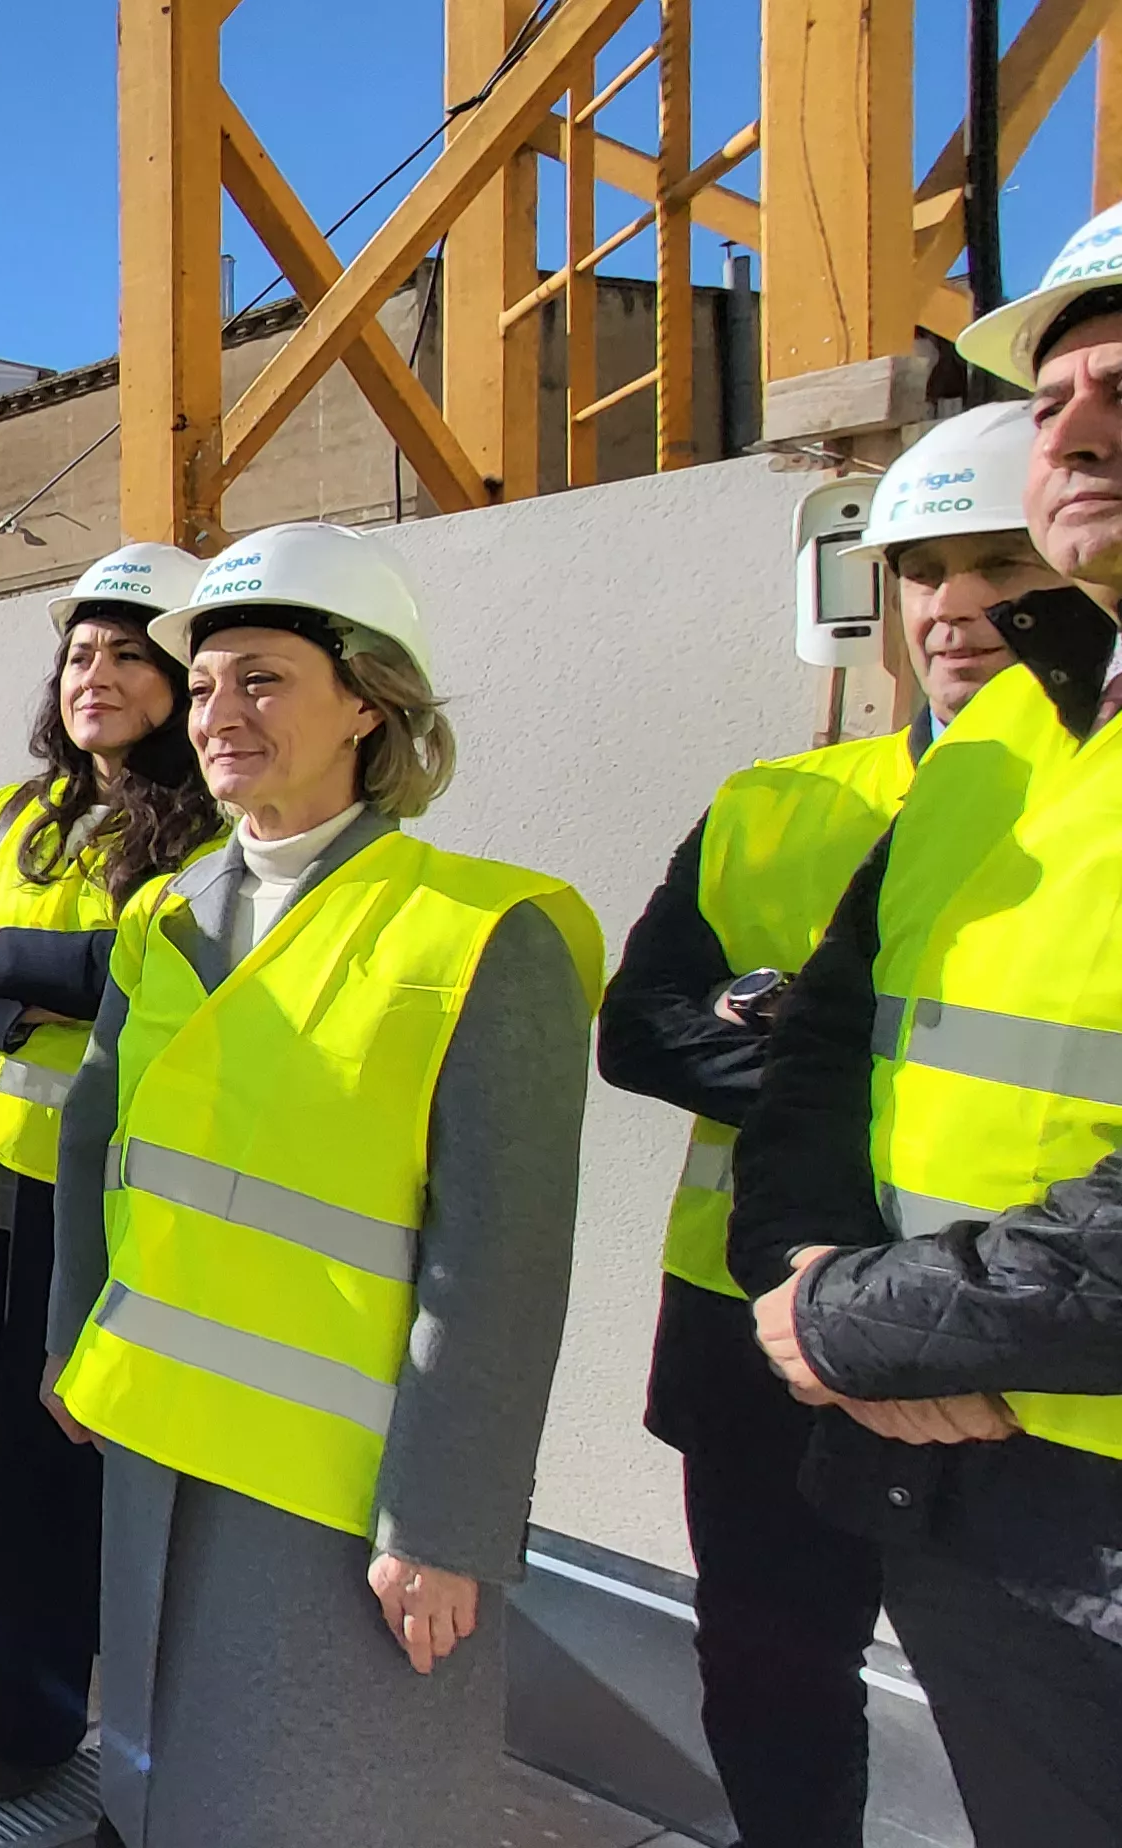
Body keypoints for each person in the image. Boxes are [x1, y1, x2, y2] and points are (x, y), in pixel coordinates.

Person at [42, 522, 596, 1846]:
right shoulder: (164, 914)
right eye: (212, 681)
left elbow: (503, 1258)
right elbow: (93, 1144)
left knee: (323, 1793)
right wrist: (76, 1344)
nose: (223, 713)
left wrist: (448, 1518)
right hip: (158, 1432)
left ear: (367, 701)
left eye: (266, 680)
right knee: (160, 1771)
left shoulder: (484, 933)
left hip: (340, 1488)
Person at [593, 401, 1045, 1848]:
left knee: (1029, 1711)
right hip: (752, 1323)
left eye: (1001, 564)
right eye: (923, 570)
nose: (956, 606)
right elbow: (635, 1029)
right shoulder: (775, 805)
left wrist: (780, 1042)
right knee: (771, 1670)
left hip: (1012, 1338)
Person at [725, 222, 1122, 1845]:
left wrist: (863, 1324)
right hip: (971, 1484)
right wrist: (812, 1271)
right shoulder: (1015, 734)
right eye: (1058, 396)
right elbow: (822, 1051)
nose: (1081, 424)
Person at [0, 543, 217, 1802]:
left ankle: (27, 1731)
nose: (98, 676)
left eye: (132, 653)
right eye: (81, 654)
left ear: (183, 676)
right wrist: (22, 1004)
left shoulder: (207, 824)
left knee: (53, 1466)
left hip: (83, 1195)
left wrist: (1, 949)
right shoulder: (13, 810)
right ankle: (26, 1696)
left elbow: (138, 978)